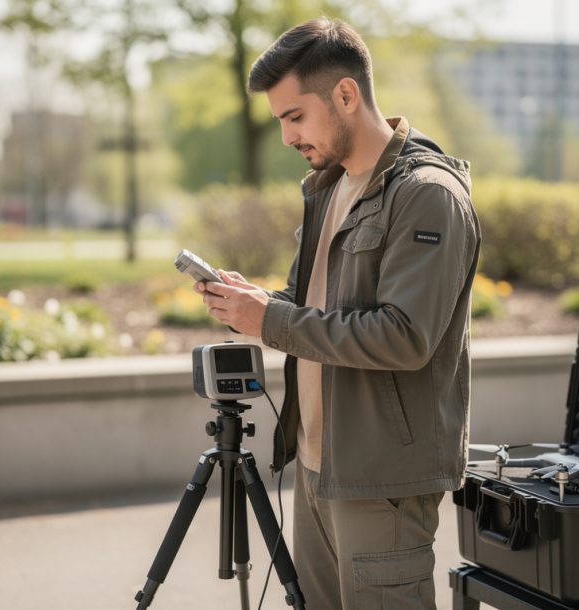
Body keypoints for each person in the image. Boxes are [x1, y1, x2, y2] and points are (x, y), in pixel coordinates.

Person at [196, 16, 480, 610]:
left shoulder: (426, 193)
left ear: (346, 95)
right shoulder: (329, 187)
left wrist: (269, 323)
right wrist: (261, 305)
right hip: (318, 466)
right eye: (279, 121)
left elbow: (403, 337)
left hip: (383, 480)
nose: (286, 137)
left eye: (295, 116)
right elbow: (328, 311)